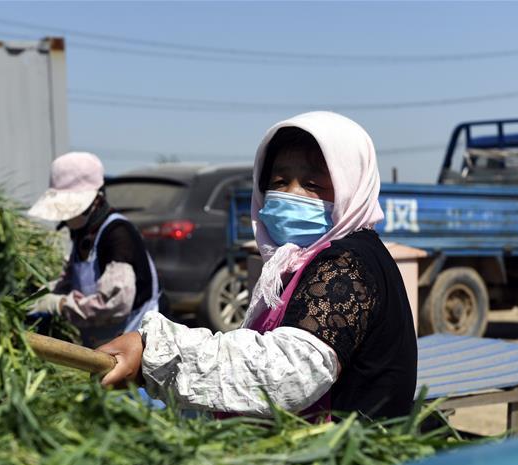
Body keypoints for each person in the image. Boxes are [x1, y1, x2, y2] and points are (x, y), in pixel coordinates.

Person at [97, 112, 417, 420]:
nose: (291, 195)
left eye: (313, 184)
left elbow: (286, 373)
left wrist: (156, 352)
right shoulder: (304, 262)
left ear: (352, 188)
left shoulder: (346, 266)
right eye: (279, 181)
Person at [27, 152, 162, 348]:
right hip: (104, 342)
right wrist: (45, 293)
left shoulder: (118, 235)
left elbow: (115, 304)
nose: (64, 219)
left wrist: (61, 305)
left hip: (136, 342)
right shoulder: (83, 233)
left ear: (96, 201)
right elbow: (72, 279)